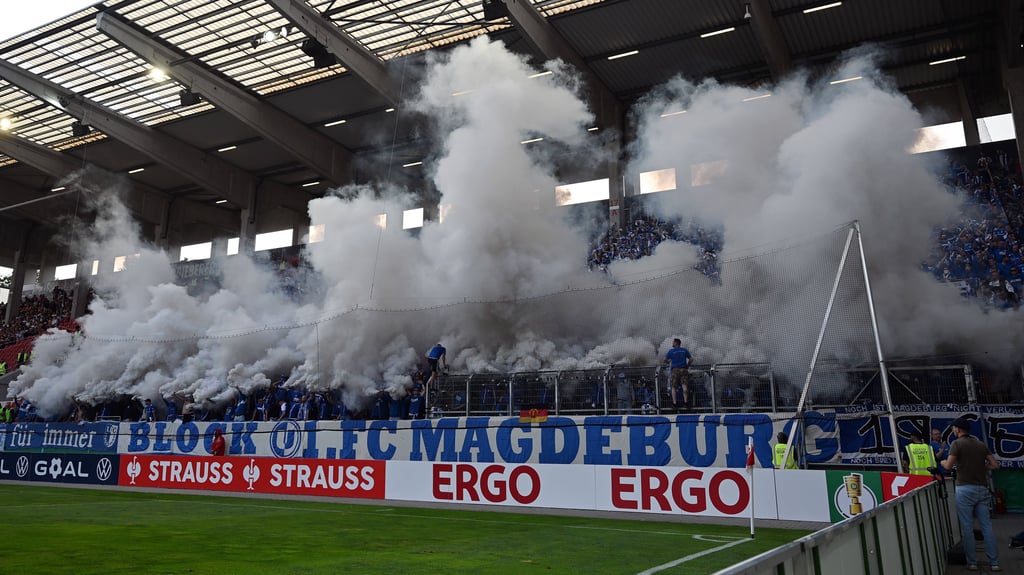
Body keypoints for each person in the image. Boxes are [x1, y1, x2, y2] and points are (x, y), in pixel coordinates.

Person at [942, 417, 1001, 571]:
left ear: (958, 430)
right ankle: (994, 562)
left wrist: (942, 462)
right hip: (982, 488)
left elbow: (948, 466)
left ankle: (972, 562)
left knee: (967, 527)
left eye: (954, 428)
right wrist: (982, 467)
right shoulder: (980, 444)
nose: (953, 430)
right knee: (986, 527)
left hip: (964, 488)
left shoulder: (957, 444)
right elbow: (995, 465)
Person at [663, 338, 693, 409]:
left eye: (673, 342)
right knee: (684, 386)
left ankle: (674, 403)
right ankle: (686, 403)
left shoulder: (671, 351)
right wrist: (687, 366)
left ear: (676, 343)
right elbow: (691, 359)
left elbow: (664, 359)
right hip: (684, 369)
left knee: (673, 387)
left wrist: (668, 362)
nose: (672, 343)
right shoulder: (684, 350)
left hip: (675, 370)